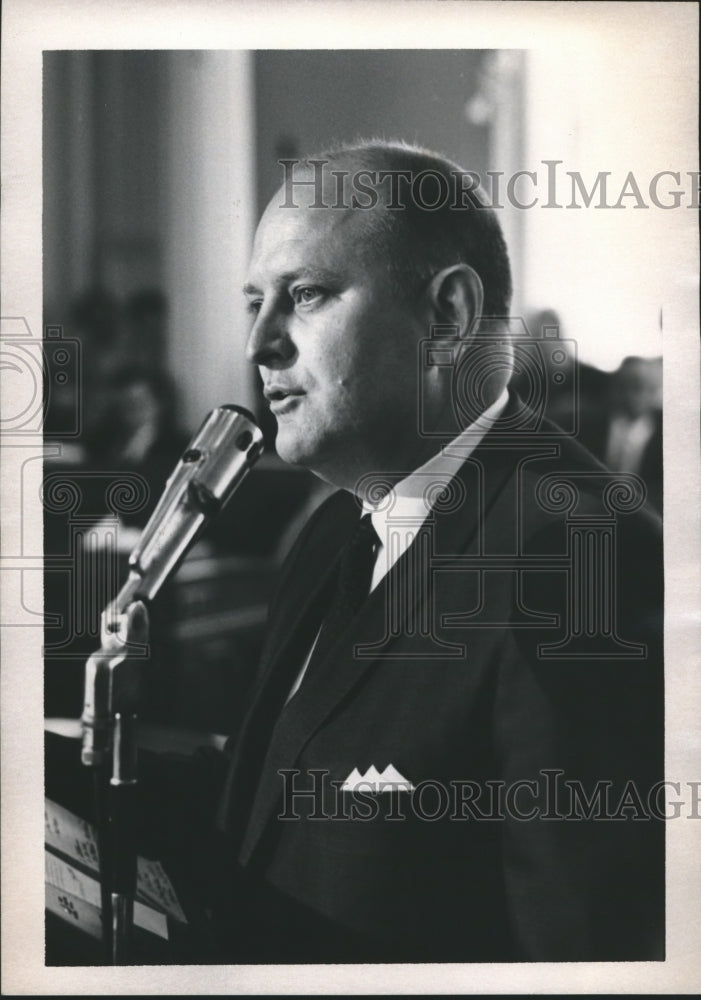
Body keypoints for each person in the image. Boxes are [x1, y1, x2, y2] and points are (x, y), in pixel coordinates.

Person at [47, 141, 664, 964]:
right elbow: (278, 799)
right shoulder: (337, 528)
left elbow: (586, 954)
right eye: (252, 303)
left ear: (445, 317)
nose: (259, 343)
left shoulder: (578, 559)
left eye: (305, 295)